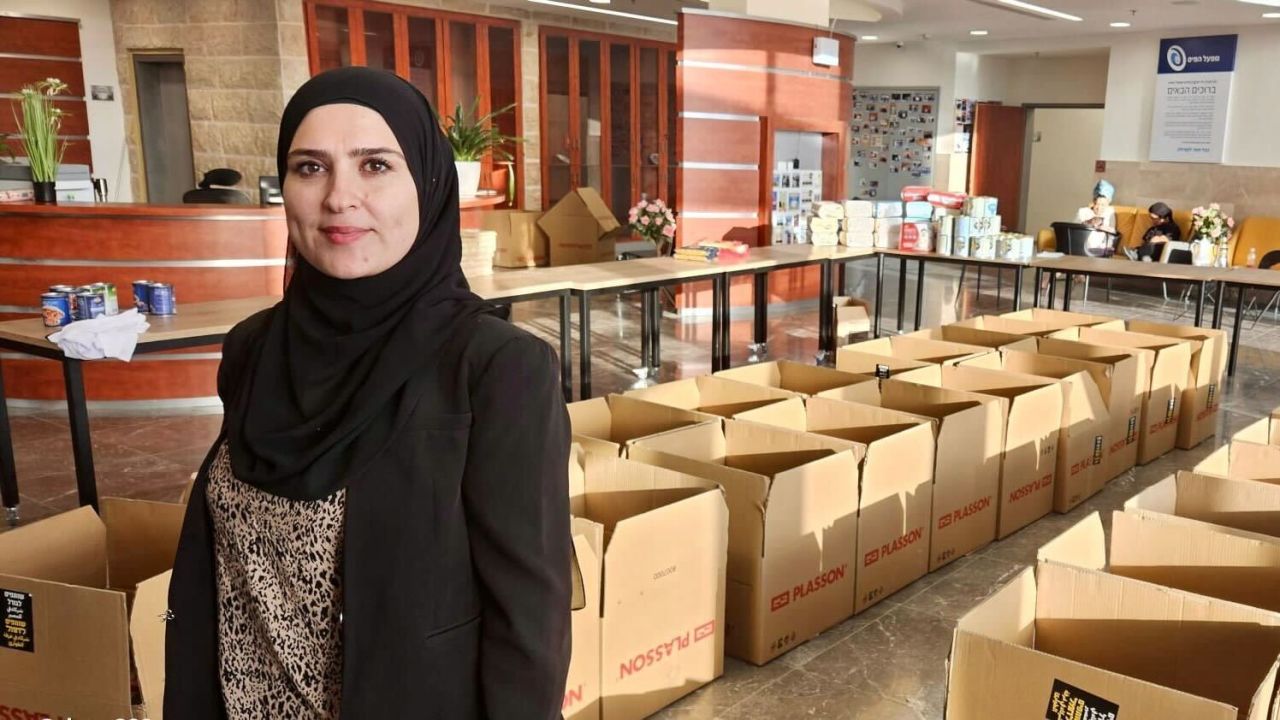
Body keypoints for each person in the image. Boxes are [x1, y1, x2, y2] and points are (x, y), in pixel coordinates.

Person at [164, 67, 573, 718]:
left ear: (428, 186)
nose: (338, 197)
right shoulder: (254, 349)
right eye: (309, 167)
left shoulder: (495, 370)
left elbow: (529, 621)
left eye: (375, 165)